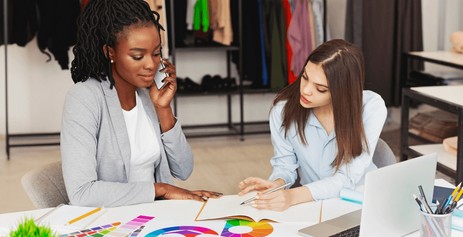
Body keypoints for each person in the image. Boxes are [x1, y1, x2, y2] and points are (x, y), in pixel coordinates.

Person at [61, 0, 221, 207]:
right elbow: (82, 193)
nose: (150, 65)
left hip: (153, 216)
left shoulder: (146, 97)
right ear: (110, 52)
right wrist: (161, 190)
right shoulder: (84, 98)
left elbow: (183, 169)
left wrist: (163, 109)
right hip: (112, 223)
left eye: (156, 53)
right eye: (137, 56)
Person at [238, 39, 387, 211]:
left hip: (363, 204)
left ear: (343, 91)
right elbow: (285, 166)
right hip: (315, 205)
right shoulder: (283, 111)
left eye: (321, 88)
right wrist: (276, 185)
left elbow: (347, 178)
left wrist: (291, 196)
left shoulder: (370, 107)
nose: (306, 90)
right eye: (305, 77)